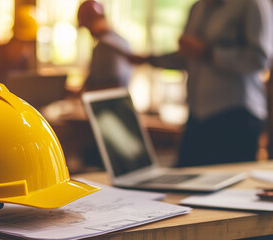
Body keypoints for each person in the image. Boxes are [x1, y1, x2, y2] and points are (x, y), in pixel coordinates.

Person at [128, 0, 273, 167]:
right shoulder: (197, 7)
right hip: (198, 116)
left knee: (229, 186)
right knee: (183, 181)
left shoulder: (252, 4)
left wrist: (209, 52)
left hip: (236, 117)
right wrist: (149, 59)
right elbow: (188, 57)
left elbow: (259, 59)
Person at [77, 0, 133, 91]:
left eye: (87, 26)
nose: (89, 31)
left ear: (95, 21)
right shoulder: (122, 41)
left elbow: (115, 84)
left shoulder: (105, 47)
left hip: (106, 102)